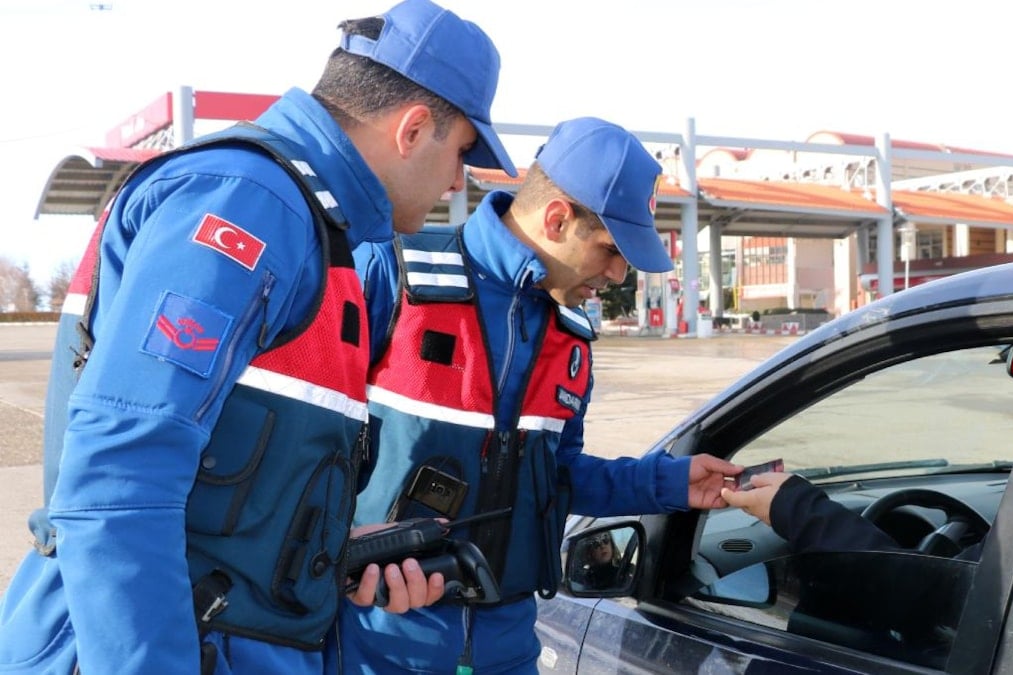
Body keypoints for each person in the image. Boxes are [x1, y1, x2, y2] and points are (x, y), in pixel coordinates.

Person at [0, 1, 517, 672]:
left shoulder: (305, 222)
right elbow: (119, 477)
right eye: (462, 153)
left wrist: (318, 544)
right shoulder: (252, 203)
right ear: (413, 129)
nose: (456, 181)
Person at [328, 116, 742, 674]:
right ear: (556, 218)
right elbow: (298, 452)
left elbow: (556, 475)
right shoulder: (391, 274)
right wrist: (335, 547)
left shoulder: (570, 338)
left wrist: (667, 482)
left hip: (511, 648)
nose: (619, 275)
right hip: (372, 646)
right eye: (610, 249)